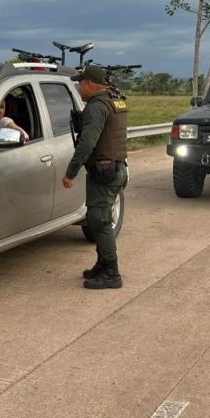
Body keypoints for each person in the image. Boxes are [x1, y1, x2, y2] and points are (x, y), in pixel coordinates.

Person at [61, 65, 129, 289]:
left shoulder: (97, 107)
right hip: (115, 167)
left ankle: (112, 274)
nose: (79, 87)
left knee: (100, 222)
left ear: (89, 84)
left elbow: (87, 142)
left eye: (81, 83)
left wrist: (70, 172)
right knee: (96, 218)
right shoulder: (114, 100)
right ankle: (102, 264)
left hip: (104, 171)